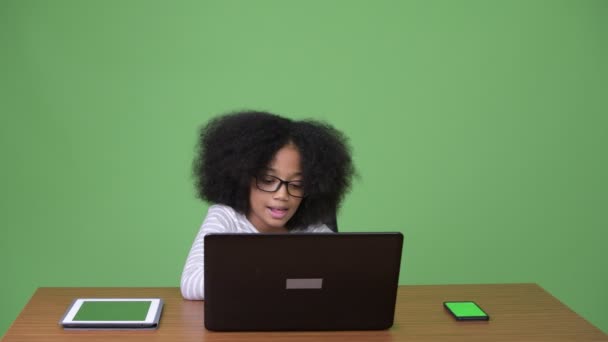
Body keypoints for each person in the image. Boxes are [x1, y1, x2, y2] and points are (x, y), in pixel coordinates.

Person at [180, 110, 355, 300]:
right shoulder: (225, 218)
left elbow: (345, 279)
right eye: (267, 180)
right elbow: (191, 283)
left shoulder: (311, 230)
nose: (282, 195)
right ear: (242, 177)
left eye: (297, 184)